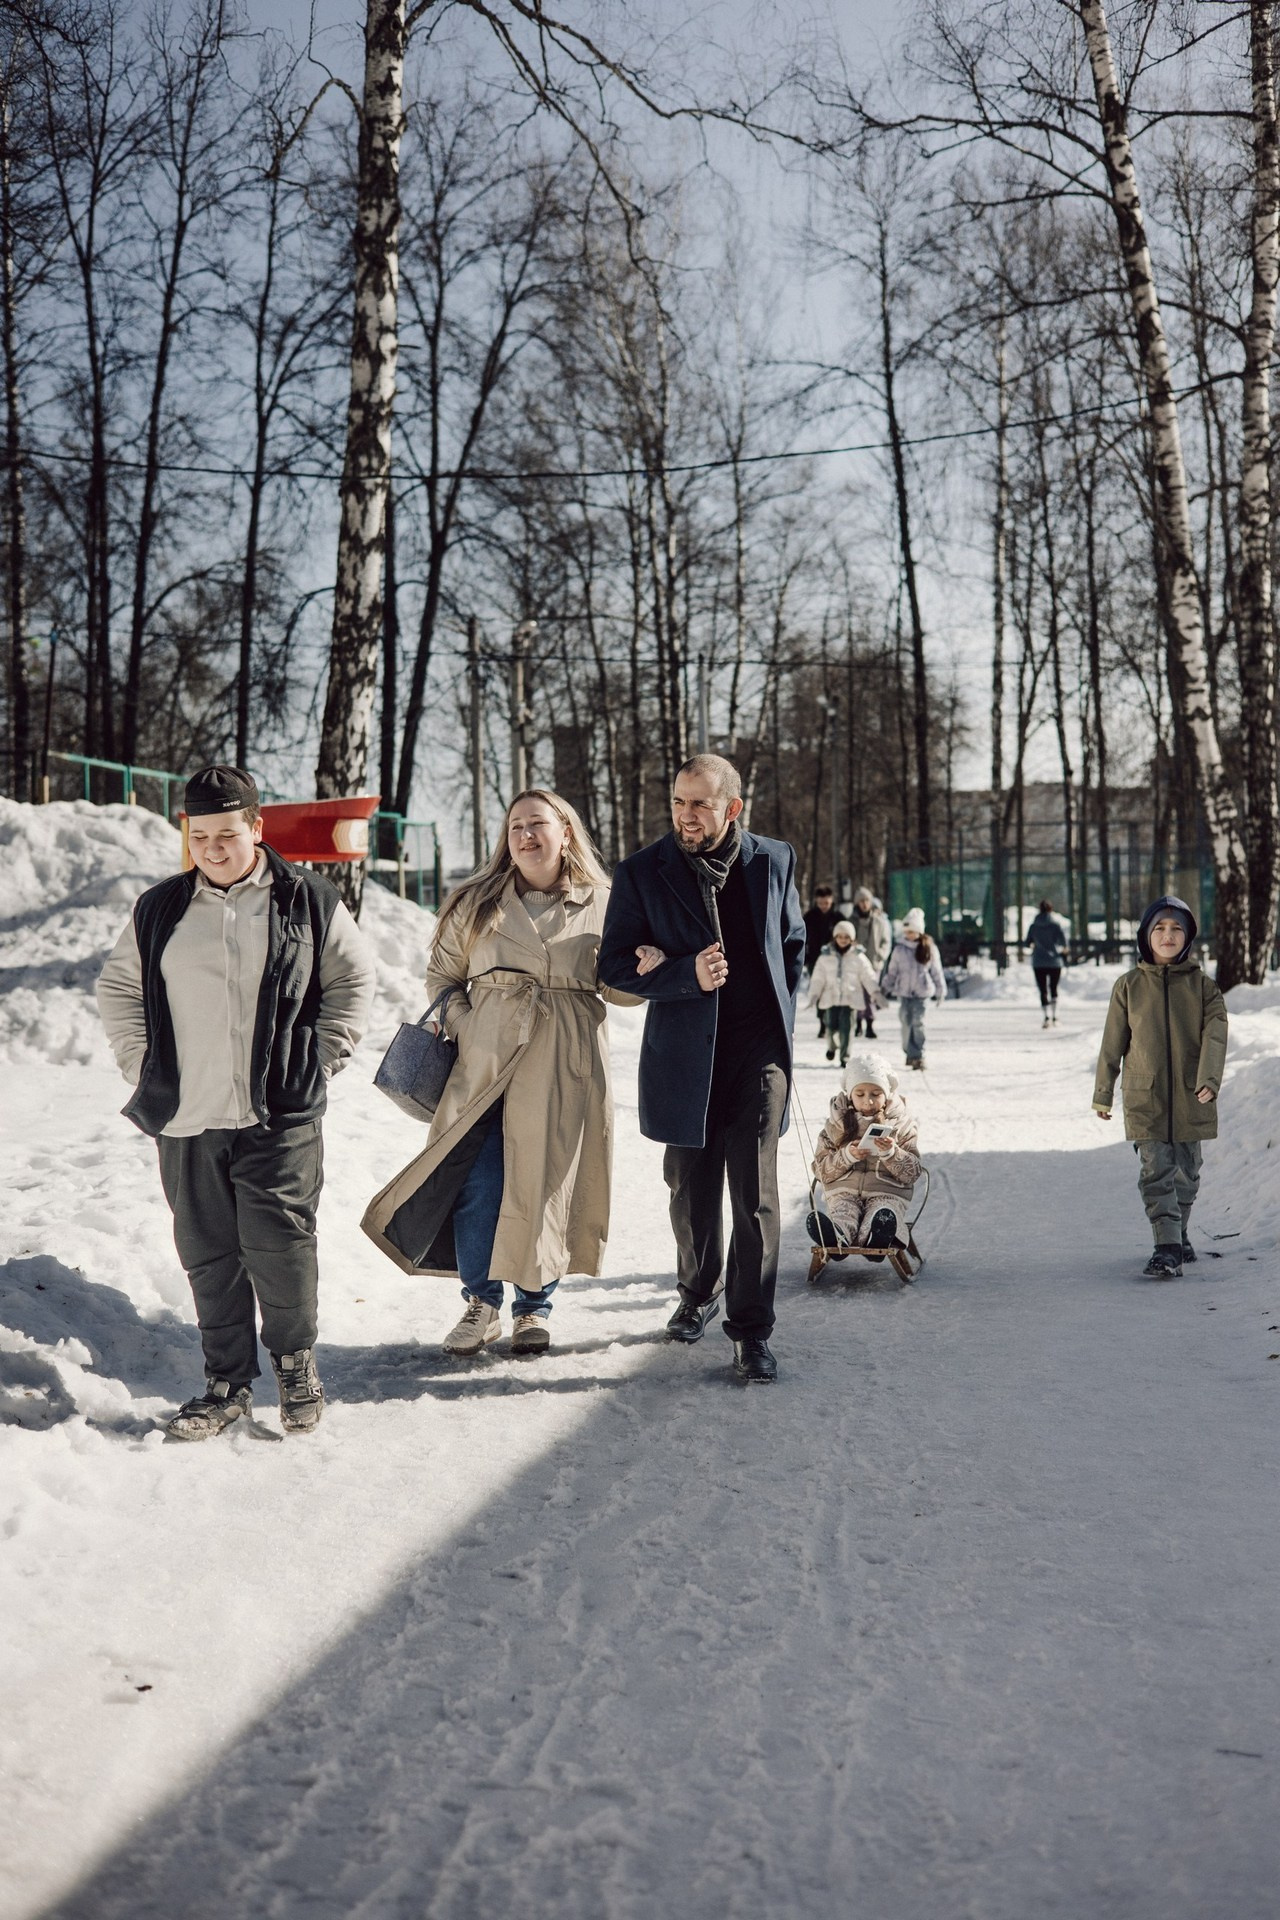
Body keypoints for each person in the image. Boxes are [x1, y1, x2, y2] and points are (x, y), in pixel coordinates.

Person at [95, 765, 376, 1440]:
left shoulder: (305, 900)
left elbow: (353, 979)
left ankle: (293, 1365)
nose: (214, 848)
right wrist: (143, 1065)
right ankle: (225, 1385)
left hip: (278, 1110)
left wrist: (322, 1056)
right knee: (208, 1250)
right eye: (201, 835)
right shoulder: (161, 909)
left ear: (255, 828)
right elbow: (118, 991)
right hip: (187, 1115)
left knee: (279, 1241)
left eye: (228, 833)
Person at [363, 789, 637, 1357]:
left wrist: (644, 968)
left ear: (566, 833)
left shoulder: (605, 901)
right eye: (516, 826)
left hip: (563, 1061)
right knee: (478, 1183)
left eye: (538, 824)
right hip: (485, 1062)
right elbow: (441, 975)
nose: (526, 836)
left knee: (547, 1184)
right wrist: (467, 1023)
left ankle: (534, 1309)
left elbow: (616, 990)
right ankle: (481, 1304)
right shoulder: (478, 900)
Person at [598, 753, 804, 1384]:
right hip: (685, 1058)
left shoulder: (773, 860)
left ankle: (751, 1330)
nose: (687, 817)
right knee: (690, 1193)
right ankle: (695, 1292)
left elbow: (792, 943)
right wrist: (679, 973)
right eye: (679, 803)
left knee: (755, 1196)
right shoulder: (641, 873)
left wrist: (778, 1020)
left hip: (757, 1057)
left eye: (701, 804)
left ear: (731, 808)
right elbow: (612, 968)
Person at [1093, 895, 1227, 1279]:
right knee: (1156, 1170)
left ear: (1188, 937)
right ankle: (1166, 1246)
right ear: (1145, 936)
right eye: (1159, 928)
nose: (1168, 935)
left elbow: (1216, 1035)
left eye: (1176, 928)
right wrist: (1104, 1092)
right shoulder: (1129, 986)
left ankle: (1178, 1232)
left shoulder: (1204, 988)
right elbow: (1112, 1043)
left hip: (1192, 1093)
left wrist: (1209, 1078)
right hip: (1144, 1095)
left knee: (1188, 1172)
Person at [809, 1052, 922, 1251]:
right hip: (844, 1191)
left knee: (883, 1212)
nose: (867, 1102)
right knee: (844, 1212)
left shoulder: (902, 1125)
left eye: (875, 1094)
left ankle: (877, 1235)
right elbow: (821, 1171)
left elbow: (912, 1173)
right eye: (860, 1094)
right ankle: (836, 1235)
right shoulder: (836, 1125)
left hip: (887, 1191)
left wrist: (891, 1153)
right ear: (849, 1094)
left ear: (886, 1095)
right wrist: (846, 1156)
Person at [806, 921, 881, 1068]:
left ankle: (845, 1057)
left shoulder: (858, 956)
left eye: (846, 937)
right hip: (831, 998)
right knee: (830, 1027)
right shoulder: (825, 956)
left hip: (850, 999)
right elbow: (818, 977)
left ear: (852, 939)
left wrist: (875, 991)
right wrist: (814, 994)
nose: (843, 939)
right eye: (840, 936)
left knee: (847, 1029)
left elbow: (868, 975)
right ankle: (832, 1046)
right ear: (835, 937)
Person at [880, 907, 947, 1071]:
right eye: (907, 931)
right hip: (904, 993)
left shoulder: (928, 948)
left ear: (919, 931)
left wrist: (940, 990)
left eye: (913, 931)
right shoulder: (899, 949)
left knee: (918, 1023)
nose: (909, 934)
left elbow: (936, 971)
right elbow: (892, 972)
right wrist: (884, 988)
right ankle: (909, 1053)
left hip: (922, 993)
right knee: (906, 1023)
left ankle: (918, 1055)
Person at [851, 887, 892, 1037]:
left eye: (867, 900)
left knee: (871, 993)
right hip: (856, 964)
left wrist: (880, 955)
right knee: (858, 994)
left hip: (874, 964)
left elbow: (886, 941)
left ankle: (869, 1023)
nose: (864, 904)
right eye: (861, 901)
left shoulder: (879, 921)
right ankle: (858, 1023)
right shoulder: (851, 921)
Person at [803, 883, 839, 1036]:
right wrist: (805, 957)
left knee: (832, 990)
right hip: (815, 960)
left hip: (834, 960)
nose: (824, 906)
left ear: (831, 901)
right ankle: (822, 1022)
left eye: (827, 903)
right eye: (821, 903)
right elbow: (802, 939)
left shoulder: (837, 918)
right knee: (818, 990)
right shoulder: (809, 917)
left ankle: (832, 1022)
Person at [1028, 898, 1069, 1027]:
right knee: (1054, 988)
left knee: (1043, 990)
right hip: (1054, 961)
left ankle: (1046, 1017)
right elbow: (1064, 943)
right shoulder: (1056, 925)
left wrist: (1036, 945)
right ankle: (1056, 1017)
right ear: (1051, 909)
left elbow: (1027, 942)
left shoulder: (1033, 926)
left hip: (1038, 961)